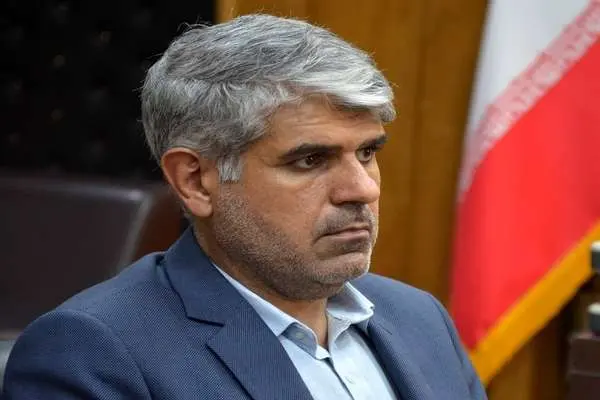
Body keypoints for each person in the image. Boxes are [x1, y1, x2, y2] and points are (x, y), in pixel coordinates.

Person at [2, 14, 486, 400]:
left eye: (366, 153)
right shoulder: (94, 354)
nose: (361, 189)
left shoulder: (419, 318)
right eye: (310, 160)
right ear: (196, 180)